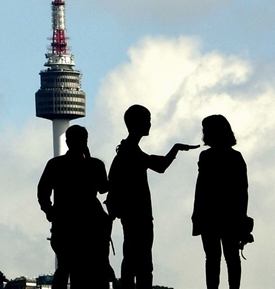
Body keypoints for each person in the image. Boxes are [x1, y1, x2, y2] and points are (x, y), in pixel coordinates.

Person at [106, 105, 197, 289]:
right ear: (136, 123)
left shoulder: (127, 151)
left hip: (131, 215)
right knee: (141, 263)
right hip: (138, 216)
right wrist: (176, 149)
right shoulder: (131, 152)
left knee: (132, 260)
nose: (150, 123)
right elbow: (160, 166)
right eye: (147, 120)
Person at [37, 124, 112, 289]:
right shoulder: (95, 165)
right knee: (90, 269)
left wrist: (50, 211)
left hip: (63, 223)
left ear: (67, 141)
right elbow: (103, 188)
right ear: (85, 141)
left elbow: (42, 192)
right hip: (90, 225)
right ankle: (106, 269)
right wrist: (89, 157)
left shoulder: (55, 164)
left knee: (64, 268)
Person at [192, 115, 249, 289]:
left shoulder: (207, 157)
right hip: (230, 215)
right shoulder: (235, 157)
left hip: (210, 215)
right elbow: (242, 191)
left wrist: (197, 214)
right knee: (231, 258)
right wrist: (242, 217)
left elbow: (201, 189)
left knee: (213, 258)